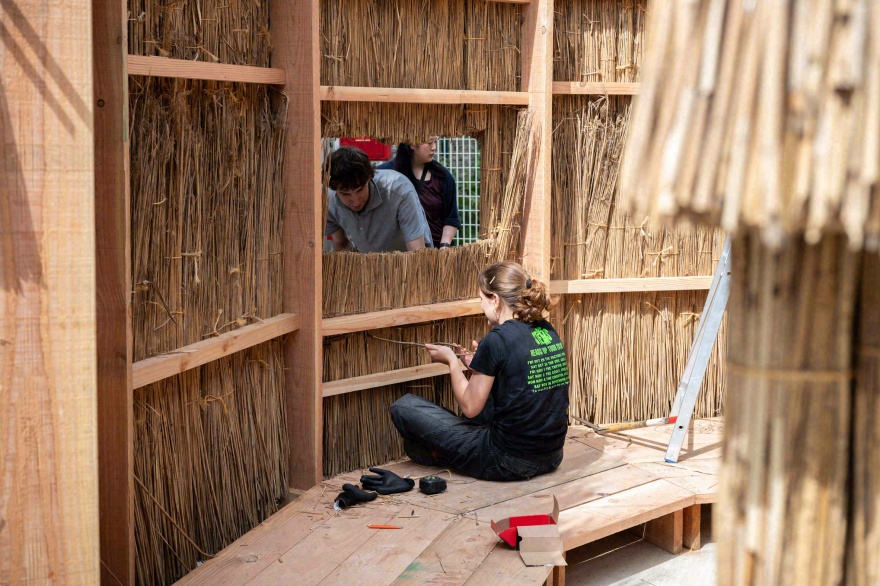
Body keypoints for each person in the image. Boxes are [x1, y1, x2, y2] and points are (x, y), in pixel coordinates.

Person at [390, 261, 570, 481]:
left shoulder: (497, 339)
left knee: (404, 407)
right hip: (552, 456)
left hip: (507, 461)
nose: (481, 306)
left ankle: (441, 454)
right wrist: (477, 364)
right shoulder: (546, 329)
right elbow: (520, 381)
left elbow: (470, 407)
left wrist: (451, 362)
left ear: (495, 300)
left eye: (481, 300)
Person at [325, 146, 433, 252]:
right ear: (334, 189)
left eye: (360, 190)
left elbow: (417, 251)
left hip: (408, 264)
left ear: (369, 177)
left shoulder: (399, 191)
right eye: (345, 194)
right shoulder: (329, 201)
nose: (356, 201)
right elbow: (341, 244)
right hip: (368, 266)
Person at [377, 139, 461, 249]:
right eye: (430, 142)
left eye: (435, 141)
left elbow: (451, 218)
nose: (434, 147)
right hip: (395, 254)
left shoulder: (443, 177)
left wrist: (444, 246)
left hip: (435, 252)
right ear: (412, 143)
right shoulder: (384, 173)